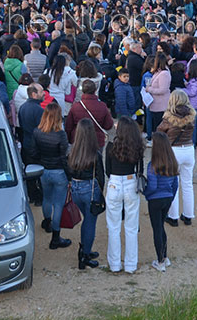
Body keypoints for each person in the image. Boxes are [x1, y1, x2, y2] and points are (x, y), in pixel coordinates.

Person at [30, 101, 72, 249]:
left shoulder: (37, 132)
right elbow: (64, 157)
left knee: (46, 198)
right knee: (58, 204)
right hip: (59, 171)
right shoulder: (61, 134)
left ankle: (47, 222)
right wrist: (69, 174)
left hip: (44, 170)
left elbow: (33, 152)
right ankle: (56, 237)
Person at [104, 116, 143, 274]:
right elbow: (139, 169)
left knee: (113, 226)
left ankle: (114, 264)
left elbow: (108, 170)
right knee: (131, 227)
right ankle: (131, 264)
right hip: (130, 182)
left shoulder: (111, 146)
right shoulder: (137, 146)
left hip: (114, 183)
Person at [66, 121, 104, 269]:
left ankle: (85, 250)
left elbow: (68, 170)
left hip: (76, 188)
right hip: (90, 188)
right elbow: (100, 176)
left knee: (87, 220)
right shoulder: (95, 154)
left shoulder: (72, 152)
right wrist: (101, 195)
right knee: (90, 221)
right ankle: (84, 255)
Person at [158, 89, 196, 225]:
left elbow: (159, 132)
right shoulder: (192, 116)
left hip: (174, 151)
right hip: (189, 149)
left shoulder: (168, 118)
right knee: (187, 184)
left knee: (172, 184)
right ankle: (188, 215)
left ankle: (173, 216)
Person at [144, 132, 179, 272]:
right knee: (162, 228)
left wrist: (146, 194)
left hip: (155, 200)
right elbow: (175, 184)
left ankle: (160, 261)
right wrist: (171, 196)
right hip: (167, 198)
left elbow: (152, 186)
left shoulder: (152, 165)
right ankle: (165, 256)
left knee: (157, 229)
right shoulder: (172, 162)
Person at [65, 79, 114, 149]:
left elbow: (69, 126)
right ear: (95, 90)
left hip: (79, 139)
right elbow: (108, 125)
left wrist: (70, 140)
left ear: (83, 90)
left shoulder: (75, 106)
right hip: (97, 141)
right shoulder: (102, 106)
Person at [143, 55, 172, 137]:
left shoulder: (164, 74)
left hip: (160, 105)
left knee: (160, 127)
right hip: (156, 104)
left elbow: (163, 89)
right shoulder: (159, 72)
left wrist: (149, 89)